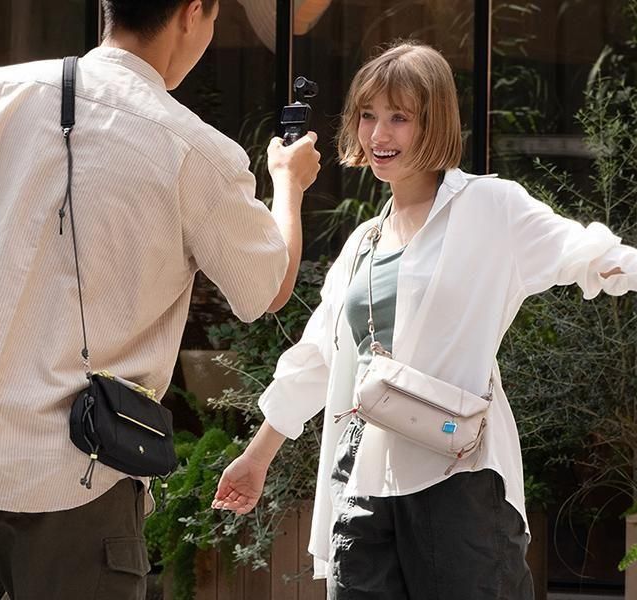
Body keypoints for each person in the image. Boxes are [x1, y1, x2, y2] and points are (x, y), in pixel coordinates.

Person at [0, 1, 321, 598]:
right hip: (81, 474)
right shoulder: (195, 151)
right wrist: (289, 184)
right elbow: (270, 289)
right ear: (192, 12)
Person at [213, 40, 636, 599]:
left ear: (433, 122)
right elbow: (318, 359)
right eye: (368, 115)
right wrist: (257, 457)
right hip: (361, 479)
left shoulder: (491, 208)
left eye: (399, 117)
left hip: (457, 477)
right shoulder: (364, 242)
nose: (378, 135)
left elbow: (591, 255)